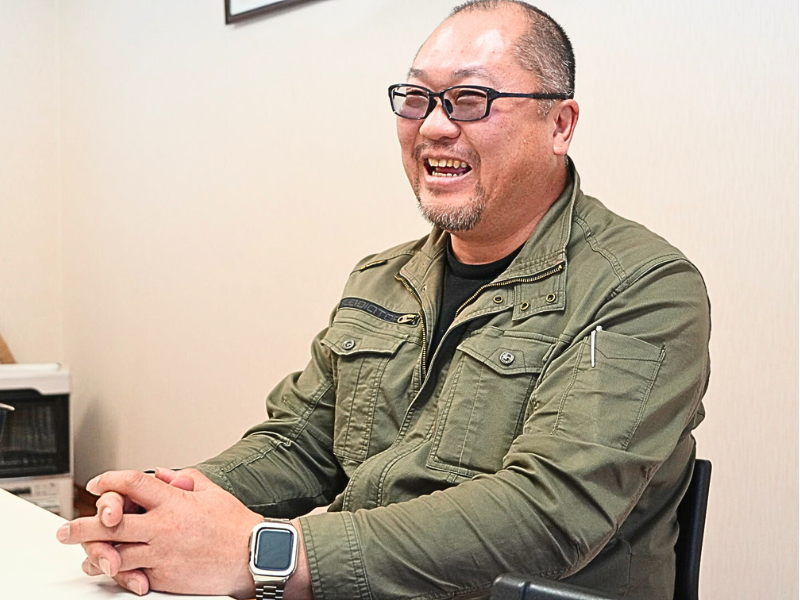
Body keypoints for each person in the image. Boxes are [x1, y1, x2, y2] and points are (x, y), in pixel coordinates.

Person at [56, 2, 711, 599]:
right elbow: (300, 443)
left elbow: (548, 514)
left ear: (559, 124)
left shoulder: (644, 287)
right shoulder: (381, 279)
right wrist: (165, 507)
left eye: (471, 99)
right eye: (417, 98)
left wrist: (266, 554)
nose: (434, 126)